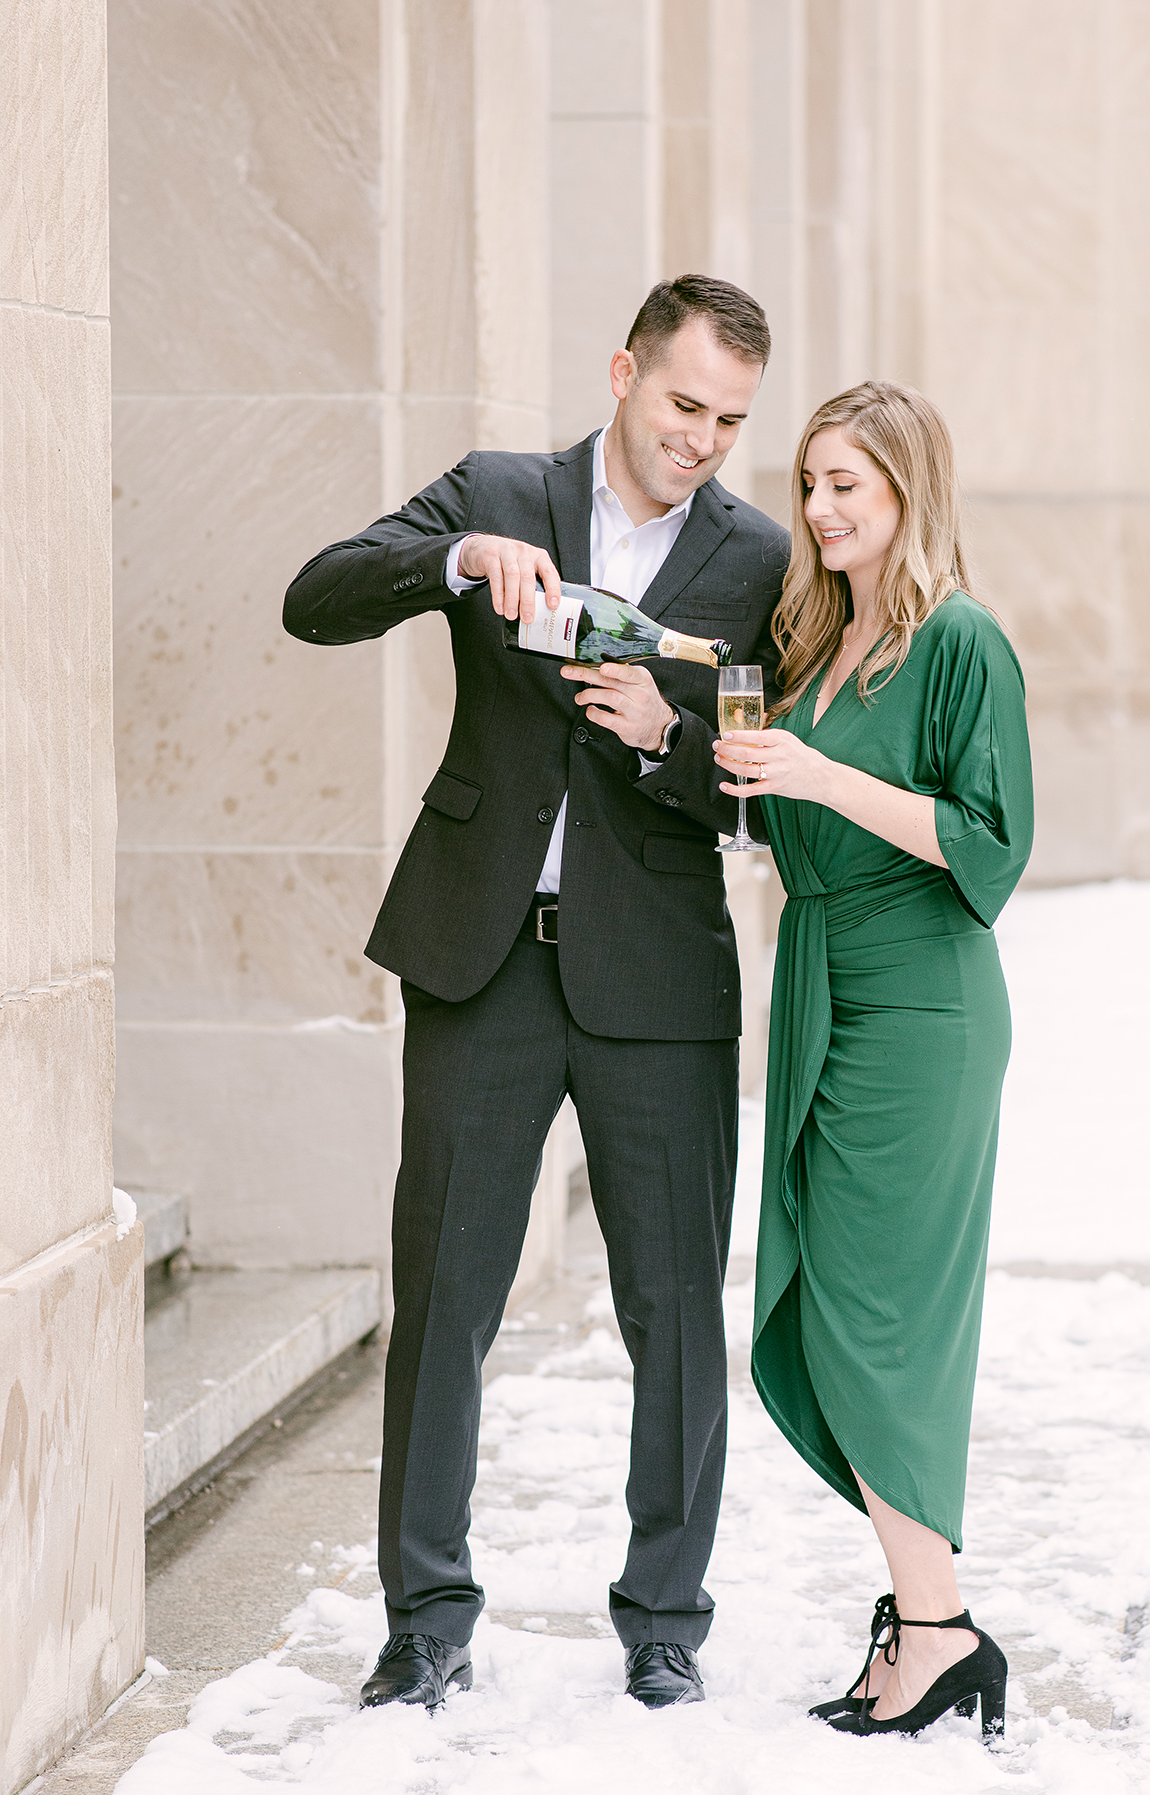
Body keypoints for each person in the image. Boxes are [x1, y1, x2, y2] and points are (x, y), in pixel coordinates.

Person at [283, 275, 789, 1713]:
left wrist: (660, 740)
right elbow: (313, 599)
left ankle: (666, 1617)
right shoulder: (500, 489)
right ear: (625, 371)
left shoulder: (755, 561)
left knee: (677, 1310)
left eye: (730, 421)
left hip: (662, 979)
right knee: (446, 1298)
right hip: (480, 960)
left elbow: (761, 806)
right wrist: (452, 564)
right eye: (685, 403)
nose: (701, 440)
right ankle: (425, 1619)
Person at [713, 380, 1033, 1742]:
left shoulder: (959, 642)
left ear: (909, 491)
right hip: (826, 981)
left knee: (878, 1320)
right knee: (830, 1306)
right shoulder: (817, 646)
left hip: (922, 1005)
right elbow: (791, 828)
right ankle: (924, 1620)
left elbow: (992, 847)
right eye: (811, 483)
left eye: (851, 483)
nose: (824, 508)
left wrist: (817, 780)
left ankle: (937, 1626)